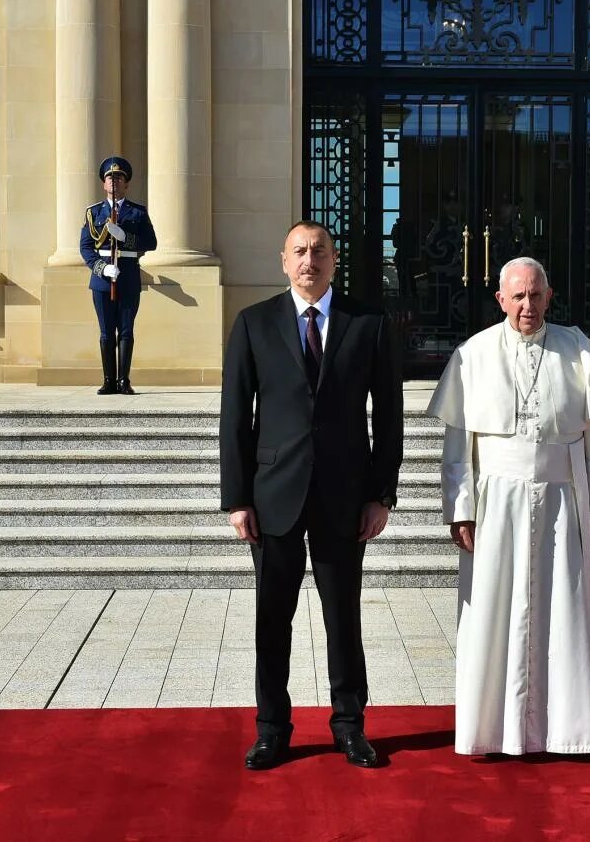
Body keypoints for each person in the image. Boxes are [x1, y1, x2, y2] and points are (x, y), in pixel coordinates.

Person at [220, 220, 403, 771]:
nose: (309, 260)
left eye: (319, 251)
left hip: (345, 497)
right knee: (271, 620)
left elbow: (389, 417)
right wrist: (236, 499)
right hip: (273, 495)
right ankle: (272, 729)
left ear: (334, 260)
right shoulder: (253, 324)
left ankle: (350, 726)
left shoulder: (367, 324)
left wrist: (382, 494)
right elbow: (235, 418)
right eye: (299, 251)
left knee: (342, 617)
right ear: (283, 260)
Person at [427, 256, 590, 756]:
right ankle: (491, 730)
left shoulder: (580, 353)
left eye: (535, 295)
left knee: (564, 610)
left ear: (548, 297)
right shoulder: (474, 354)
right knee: (495, 611)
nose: (527, 305)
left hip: (562, 500)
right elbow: (457, 445)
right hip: (497, 504)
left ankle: (567, 732)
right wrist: (459, 508)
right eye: (518, 296)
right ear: (501, 300)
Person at [79, 156, 157, 395]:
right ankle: (108, 380)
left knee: (125, 331)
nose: (114, 181)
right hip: (103, 281)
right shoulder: (93, 213)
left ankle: (124, 380)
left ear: (126, 184)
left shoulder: (138, 212)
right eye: (110, 178)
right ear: (104, 184)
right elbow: (85, 248)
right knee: (106, 332)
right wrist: (102, 268)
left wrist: (125, 238)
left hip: (129, 278)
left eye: (119, 177)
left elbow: (151, 243)